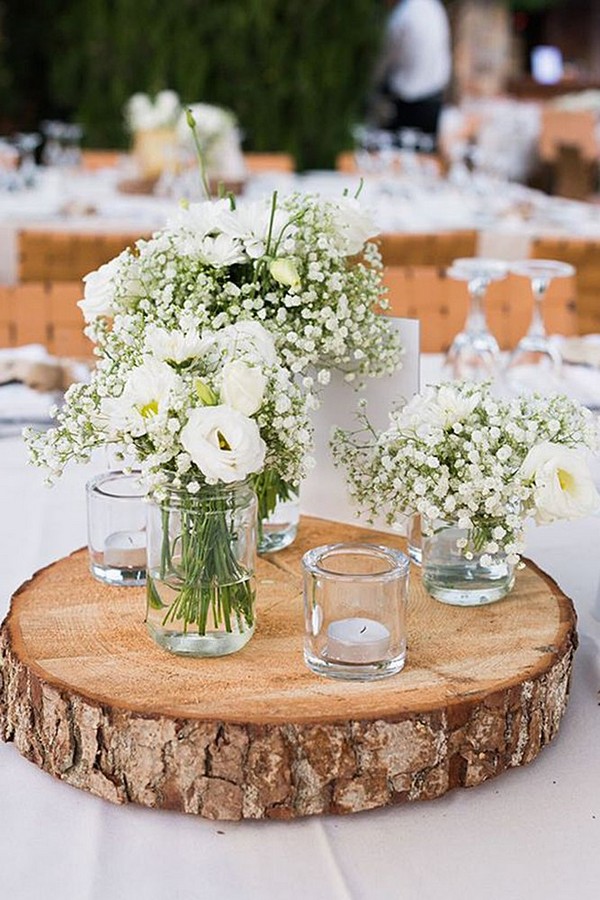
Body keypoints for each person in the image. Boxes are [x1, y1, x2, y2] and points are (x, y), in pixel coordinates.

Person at [369, 0, 452, 147]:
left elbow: (385, 61)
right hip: (433, 101)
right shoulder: (434, 7)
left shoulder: (401, 17)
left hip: (406, 105)